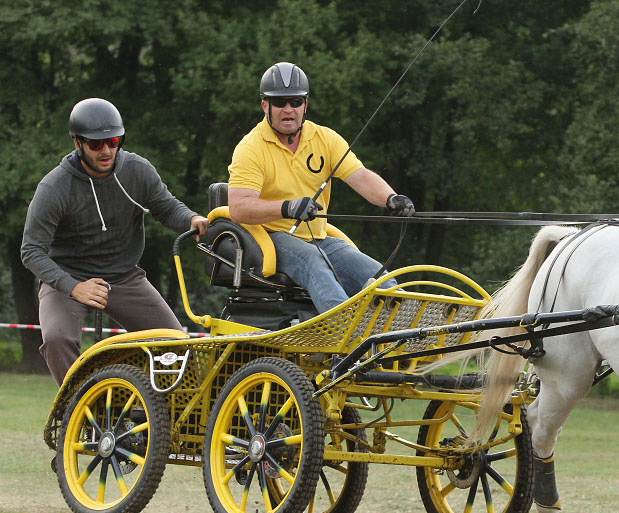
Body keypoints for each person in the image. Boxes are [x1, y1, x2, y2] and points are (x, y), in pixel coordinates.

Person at [21, 98, 208, 384]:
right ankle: (81, 405)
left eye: (113, 141)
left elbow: (168, 208)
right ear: (78, 143)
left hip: (124, 276)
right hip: (68, 278)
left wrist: (192, 219)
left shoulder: (137, 170)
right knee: (58, 339)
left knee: (175, 343)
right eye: (96, 144)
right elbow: (31, 251)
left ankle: (173, 408)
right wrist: (74, 287)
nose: (106, 150)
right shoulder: (54, 187)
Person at [228, 61, 415, 315]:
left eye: (296, 101)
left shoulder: (324, 138)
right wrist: (287, 207)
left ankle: (402, 327)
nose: (288, 109)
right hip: (271, 238)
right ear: (265, 106)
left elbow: (360, 177)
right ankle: (343, 329)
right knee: (313, 264)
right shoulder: (250, 148)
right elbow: (239, 208)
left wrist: (391, 198)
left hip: (318, 239)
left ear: (305, 105)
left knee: (376, 273)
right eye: (280, 102)